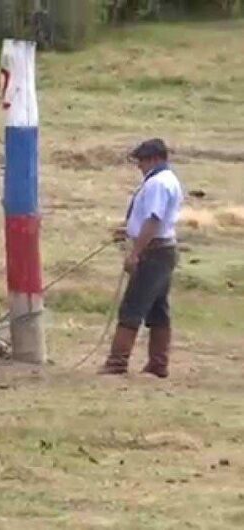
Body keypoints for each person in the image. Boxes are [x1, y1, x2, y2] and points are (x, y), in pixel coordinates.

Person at [100, 139, 183, 378]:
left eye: (142, 161)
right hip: (163, 249)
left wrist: (135, 252)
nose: (140, 166)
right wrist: (128, 231)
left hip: (154, 251)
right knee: (158, 308)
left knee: (133, 305)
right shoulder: (168, 180)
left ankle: (117, 362)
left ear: (154, 158)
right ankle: (158, 363)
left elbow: (153, 219)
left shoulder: (158, 183)